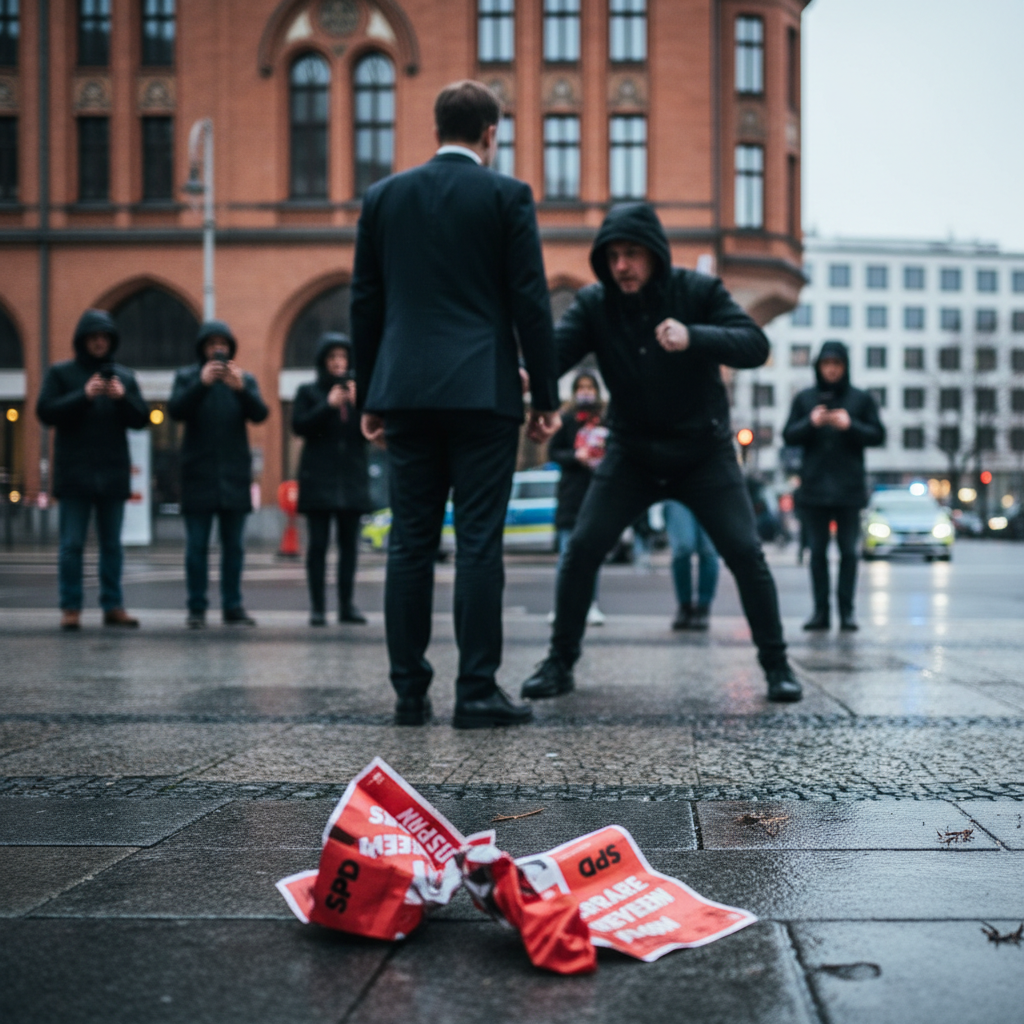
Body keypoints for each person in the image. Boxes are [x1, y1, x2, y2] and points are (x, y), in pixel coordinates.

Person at [519, 202, 802, 704]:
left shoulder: (698, 291)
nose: (620, 266)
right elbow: (552, 357)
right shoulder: (594, 304)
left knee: (745, 552)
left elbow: (754, 345)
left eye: (631, 254)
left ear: (654, 254)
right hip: (632, 451)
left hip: (702, 453)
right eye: (612, 257)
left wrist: (693, 336)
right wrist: (529, 385)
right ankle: (559, 663)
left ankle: (777, 666)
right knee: (582, 548)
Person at [352, 80, 561, 729]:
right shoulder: (506, 196)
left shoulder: (384, 198)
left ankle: (410, 693)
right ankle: (475, 691)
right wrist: (546, 396)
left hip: (407, 392)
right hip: (482, 392)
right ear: (490, 133)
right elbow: (531, 299)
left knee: (410, 543)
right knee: (478, 543)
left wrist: (370, 395)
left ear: (436, 127)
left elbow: (366, 301)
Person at [36, 309, 150, 630]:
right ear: (82, 340)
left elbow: (142, 419)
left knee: (112, 544)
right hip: (74, 475)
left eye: (104, 338)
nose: (99, 343)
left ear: (111, 341)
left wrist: (121, 399)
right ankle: (70, 607)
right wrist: (84, 396)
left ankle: (112, 605)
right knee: (72, 544)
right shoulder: (62, 374)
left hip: (112, 474)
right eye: (93, 337)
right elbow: (46, 412)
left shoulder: (124, 378)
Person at [168, 320, 269, 628]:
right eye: (212, 344)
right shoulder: (187, 377)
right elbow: (175, 411)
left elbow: (261, 414)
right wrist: (201, 383)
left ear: (230, 348)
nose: (217, 350)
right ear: (202, 348)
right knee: (197, 547)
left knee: (234, 548)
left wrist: (241, 390)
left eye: (222, 344)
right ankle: (196, 608)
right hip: (198, 476)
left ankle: (232, 606)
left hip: (234, 476)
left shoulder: (244, 379)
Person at [782, 341, 885, 631]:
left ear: (845, 367)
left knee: (849, 553)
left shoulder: (860, 399)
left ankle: (847, 611)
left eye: (836, 364)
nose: (831, 370)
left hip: (849, 490)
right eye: (826, 364)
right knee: (817, 553)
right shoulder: (805, 399)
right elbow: (788, 434)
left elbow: (878, 435)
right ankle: (820, 612)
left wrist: (849, 425)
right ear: (818, 366)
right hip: (814, 490)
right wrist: (810, 422)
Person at [292, 332, 371, 626]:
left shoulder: (358, 392)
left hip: (351, 481)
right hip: (318, 482)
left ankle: (346, 606)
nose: (338, 363)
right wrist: (327, 404)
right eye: (332, 358)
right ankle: (317, 607)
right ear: (323, 362)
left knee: (349, 548)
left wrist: (358, 403)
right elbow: (299, 425)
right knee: (318, 547)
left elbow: (370, 431)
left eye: (343, 357)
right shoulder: (308, 392)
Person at [548, 372, 607, 627]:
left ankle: (590, 604)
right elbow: (553, 452)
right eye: (581, 387)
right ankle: (562, 606)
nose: (585, 391)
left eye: (589, 387)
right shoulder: (566, 419)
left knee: (590, 556)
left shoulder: (605, 419)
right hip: (571, 496)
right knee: (566, 557)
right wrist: (576, 456)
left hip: (595, 493)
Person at [664, 500, 719, 630]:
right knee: (682, 549)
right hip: (677, 491)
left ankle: (703, 607)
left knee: (708, 550)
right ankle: (685, 606)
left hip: (710, 491)